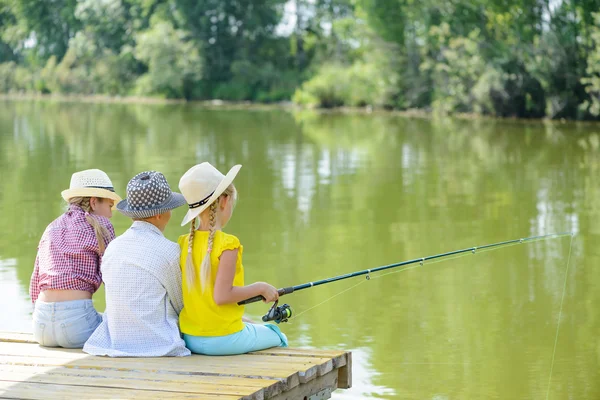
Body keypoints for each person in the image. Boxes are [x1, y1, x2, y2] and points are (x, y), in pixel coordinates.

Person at [177, 162, 288, 356]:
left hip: (191, 339)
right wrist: (261, 287)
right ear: (224, 201)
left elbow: (210, 302)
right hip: (224, 340)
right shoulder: (228, 244)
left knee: (250, 325)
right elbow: (222, 296)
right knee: (277, 335)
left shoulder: (185, 243)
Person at [83, 171, 191, 357]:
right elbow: (181, 304)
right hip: (159, 344)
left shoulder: (113, 248)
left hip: (116, 342)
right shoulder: (169, 251)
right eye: (169, 208)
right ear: (159, 215)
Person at [30, 169, 121, 348]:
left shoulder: (51, 227)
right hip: (76, 327)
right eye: (109, 206)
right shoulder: (100, 225)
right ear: (94, 202)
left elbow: (35, 279)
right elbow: (114, 278)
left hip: (40, 326)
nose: (110, 214)